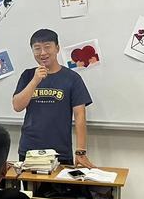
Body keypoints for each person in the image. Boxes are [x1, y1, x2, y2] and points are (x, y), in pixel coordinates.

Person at [12, 28, 94, 166]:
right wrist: (35, 81)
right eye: (37, 48)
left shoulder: (72, 78)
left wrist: (81, 151)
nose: (43, 53)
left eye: (47, 47)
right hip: (29, 150)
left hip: (60, 151)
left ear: (57, 48)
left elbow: (80, 115)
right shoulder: (28, 75)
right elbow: (17, 106)